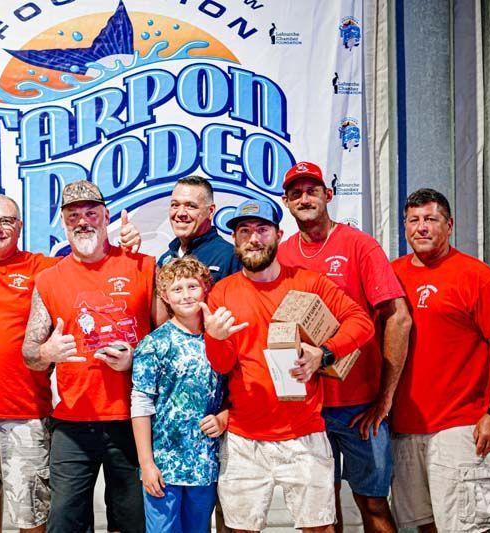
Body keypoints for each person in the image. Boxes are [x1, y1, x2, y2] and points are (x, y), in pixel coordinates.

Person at [0, 192, 142, 533]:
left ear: (19, 227)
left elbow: (88, 263)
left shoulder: (42, 268)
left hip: (26, 418)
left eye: (6, 222)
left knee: (34, 520)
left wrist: (125, 245)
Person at [202, 198, 375, 533]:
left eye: (262, 230)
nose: (254, 238)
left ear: (279, 235)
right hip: (244, 437)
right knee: (238, 530)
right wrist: (216, 338)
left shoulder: (309, 282)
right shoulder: (222, 292)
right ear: (235, 240)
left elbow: (361, 323)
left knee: (319, 529)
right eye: (245, 231)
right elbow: (222, 365)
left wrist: (323, 353)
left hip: (304, 434)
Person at [277, 161, 411, 533]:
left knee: (372, 503)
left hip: (358, 405)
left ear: (328, 195)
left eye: (312, 191)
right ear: (286, 201)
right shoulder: (283, 254)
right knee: (321, 510)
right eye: (296, 193)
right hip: (307, 406)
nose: (305, 198)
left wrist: (385, 399)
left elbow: (398, 318)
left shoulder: (359, 245)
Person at [23, 180, 159, 533]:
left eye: (90, 212)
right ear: (64, 222)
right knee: (64, 520)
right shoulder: (49, 279)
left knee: (133, 521)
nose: (82, 221)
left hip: (132, 419)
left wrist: (135, 360)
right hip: (72, 421)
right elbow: (29, 354)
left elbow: (167, 343)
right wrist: (46, 352)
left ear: (106, 216)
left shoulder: (143, 266)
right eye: (73, 215)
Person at [389, 188, 490, 533]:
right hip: (404, 429)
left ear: (449, 225)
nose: (422, 228)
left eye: (431, 220)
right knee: (424, 525)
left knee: (468, 527)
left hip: (460, 427)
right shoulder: (391, 276)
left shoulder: (476, 277)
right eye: (414, 220)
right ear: (404, 226)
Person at [132, 256, 227, 533]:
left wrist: (224, 417)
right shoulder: (154, 344)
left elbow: (234, 393)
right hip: (164, 467)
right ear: (164, 296)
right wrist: (147, 464)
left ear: (205, 289)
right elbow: (140, 404)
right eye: (177, 289)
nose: (186, 295)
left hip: (204, 465)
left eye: (192, 286)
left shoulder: (217, 339)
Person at [158, 175, 241, 284]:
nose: (181, 213)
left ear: (210, 212)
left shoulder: (230, 257)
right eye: (175, 205)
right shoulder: (165, 260)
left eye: (191, 206)